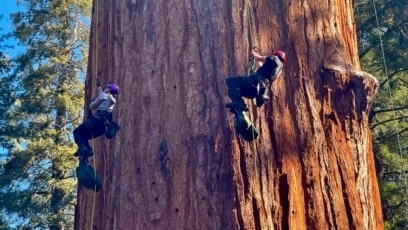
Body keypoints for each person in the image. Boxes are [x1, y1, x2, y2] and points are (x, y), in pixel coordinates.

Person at [73, 78, 119, 162]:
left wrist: (92, 102)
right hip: (102, 127)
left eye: (107, 87)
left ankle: (84, 148)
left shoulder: (104, 96)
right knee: (84, 135)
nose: (106, 88)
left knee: (77, 132)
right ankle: (85, 150)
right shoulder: (112, 100)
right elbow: (103, 96)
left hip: (96, 121)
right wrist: (99, 87)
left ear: (108, 89)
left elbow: (92, 106)